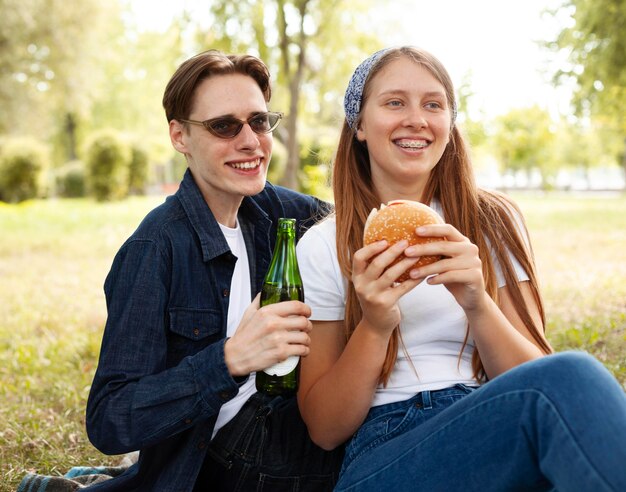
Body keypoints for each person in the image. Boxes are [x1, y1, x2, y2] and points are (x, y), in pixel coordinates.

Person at [295, 46, 626, 491]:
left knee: (569, 378)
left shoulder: (492, 222)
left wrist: (477, 302)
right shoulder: (323, 244)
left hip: (491, 423)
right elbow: (324, 428)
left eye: (433, 104)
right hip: (385, 452)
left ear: (449, 127)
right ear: (358, 125)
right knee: (574, 376)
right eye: (395, 102)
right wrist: (374, 325)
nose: (416, 118)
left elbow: (538, 383)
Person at [85, 50, 343, 491]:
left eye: (259, 122)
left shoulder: (277, 212)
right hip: (214, 465)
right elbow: (110, 418)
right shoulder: (155, 248)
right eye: (224, 126)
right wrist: (229, 360)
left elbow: (357, 217)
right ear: (180, 136)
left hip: (279, 423)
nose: (251, 141)